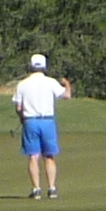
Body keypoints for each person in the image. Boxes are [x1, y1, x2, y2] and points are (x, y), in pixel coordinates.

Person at [11, 52, 72, 199]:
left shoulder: (22, 84)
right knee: (49, 156)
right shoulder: (51, 82)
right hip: (47, 121)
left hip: (30, 121)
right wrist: (67, 84)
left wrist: (22, 118)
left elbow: (18, 107)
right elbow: (67, 95)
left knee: (33, 156)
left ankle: (36, 189)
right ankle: (52, 188)